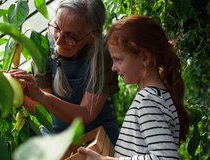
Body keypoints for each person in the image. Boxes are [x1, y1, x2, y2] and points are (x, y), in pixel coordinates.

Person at [78, 15, 190, 159]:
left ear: (144, 57)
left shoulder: (147, 101)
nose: (113, 68)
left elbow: (165, 157)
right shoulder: (160, 96)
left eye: (118, 59)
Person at [10, 0, 119, 145]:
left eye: (71, 36)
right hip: (56, 140)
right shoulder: (43, 46)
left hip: (97, 139)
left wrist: (40, 95)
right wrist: (21, 92)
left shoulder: (103, 52)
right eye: (56, 27)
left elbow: (86, 114)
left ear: (92, 37)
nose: (59, 40)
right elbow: (43, 108)